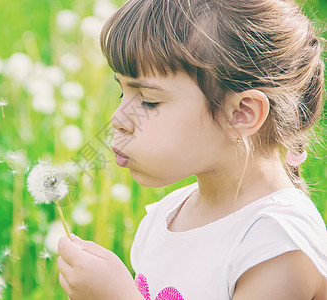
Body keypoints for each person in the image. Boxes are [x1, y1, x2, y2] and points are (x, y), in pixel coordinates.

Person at [57, 0, 327, 299]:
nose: (118, 119)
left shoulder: (276, 246)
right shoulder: (167, 215)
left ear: (241, 114)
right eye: (123, 91)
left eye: (148, 100)